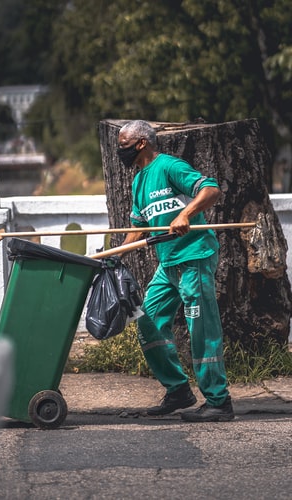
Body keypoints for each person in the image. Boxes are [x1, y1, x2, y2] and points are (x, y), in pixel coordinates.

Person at [116, 120, 234, 422]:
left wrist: (185, 214)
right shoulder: (139, 180)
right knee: (149, 322)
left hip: (194, 257)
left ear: (142, 142)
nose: (121, 149)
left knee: (201, 328)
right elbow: (139, 228)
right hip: (168, 264)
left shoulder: (169, 166)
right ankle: (179, 390)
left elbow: (211, 189)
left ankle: (218, 401)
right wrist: (113, 255)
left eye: (124, 143)